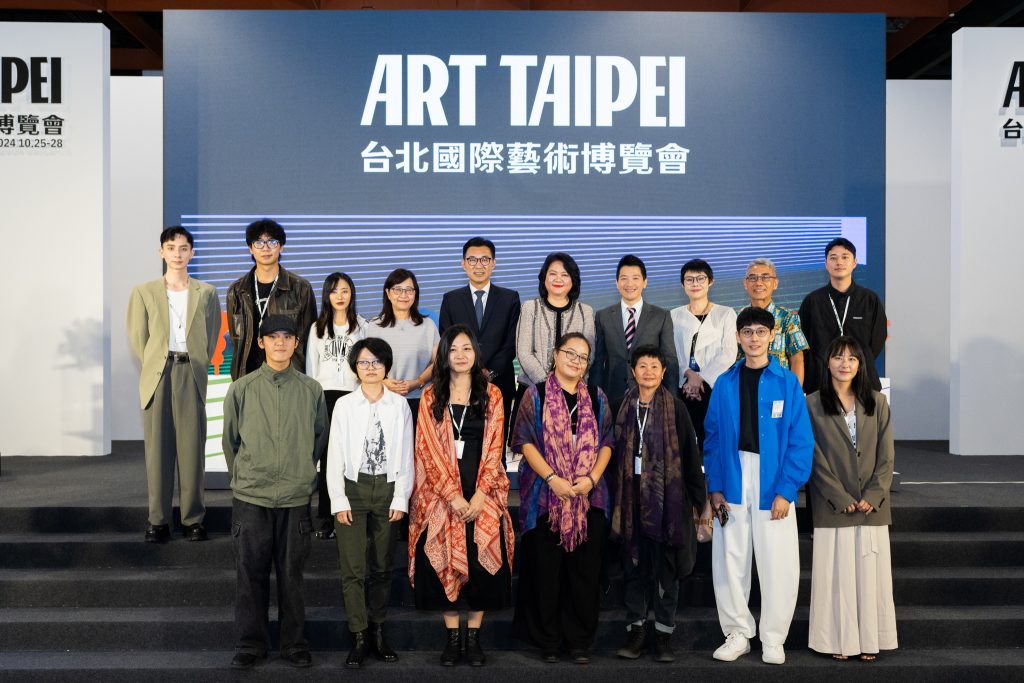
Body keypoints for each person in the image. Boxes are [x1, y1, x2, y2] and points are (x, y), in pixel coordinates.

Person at [704, 307, 814, 666]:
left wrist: (786, 490)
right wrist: (715, 487)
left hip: (773, 480)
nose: (754, 338)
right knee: (729, 559)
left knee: (778, 562)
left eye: (760, 332)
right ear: (738, 337)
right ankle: (737, 633)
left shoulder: (787, 382)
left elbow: (800, 441)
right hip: (733, 476)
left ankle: (773, 638)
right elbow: (712, 437)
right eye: (747, 332)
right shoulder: (725, 383)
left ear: (772, 336)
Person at [222, 314, 328, 670]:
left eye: (287, 337)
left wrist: (301, 473)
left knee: (291, 575)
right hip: (252, 496)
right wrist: (247, 476)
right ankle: (250, 644)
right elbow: (230, 442)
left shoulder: (311, 390)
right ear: (261, 342)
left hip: (295, 497)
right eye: (273, 337)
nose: (280, 342)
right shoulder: (242, 389)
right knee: (249, 574)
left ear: (297, 343)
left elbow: (319, 439)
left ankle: (293, 644)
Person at [409, 324, 515, 667]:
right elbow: (425, 449)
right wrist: (452, 496)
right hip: (441, 492)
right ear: (443, 355)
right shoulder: (430, 396)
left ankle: (474, 637)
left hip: (482, 488)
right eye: (453, 349)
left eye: (466, 348)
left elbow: (496, 447)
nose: (460, 355)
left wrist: (481, 495)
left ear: (476, 354)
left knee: (482, 560)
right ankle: (453, 638)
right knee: (443, 558)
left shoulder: (493, 394)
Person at [512, 332, 614, 664]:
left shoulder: (596, 397)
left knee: (584, 573)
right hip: (545, 496)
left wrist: (591, 479)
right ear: (555, 355)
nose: (575, 360)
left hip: (588, 497)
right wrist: (552, 479)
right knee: (547, 572)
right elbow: (525, 441)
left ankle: (580, 642)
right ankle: (549, 641)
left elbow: (608, 442)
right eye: (569, 353)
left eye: (582, 357)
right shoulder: (535, 394)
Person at [610, 344, 706, 663]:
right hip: (630, 498)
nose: (648, 372)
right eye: (642, 366)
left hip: (669, 501)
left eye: (654, 366)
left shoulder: (676, 408)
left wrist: (700, 502)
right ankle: (636, 632)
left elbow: (690, 457)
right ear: (633, 371)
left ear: (664, 372)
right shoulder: (621, 406)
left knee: (667, 568)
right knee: (634, 566)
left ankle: (664, 635)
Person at [127, 226, 222, 543]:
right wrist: (157, 362)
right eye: (171, 248)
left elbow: (210, 338)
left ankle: (193, 519)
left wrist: (193, 361)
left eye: (183, 248)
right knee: (157, 452)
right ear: (161, 252)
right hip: (159, 374)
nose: (177, 254)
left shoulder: (206, 292)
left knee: (192, 450)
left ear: (192, 253)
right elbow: (138, 339)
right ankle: (158, 520)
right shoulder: (144, 292)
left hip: (190, 372)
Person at [806, 336, 897, 662]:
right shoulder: (811, 403)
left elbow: (887, 456)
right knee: (837, 579)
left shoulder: (877, 402)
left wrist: (874, 494)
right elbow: (813, 456)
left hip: (872, 506)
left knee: (871, 579)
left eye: (852, 359)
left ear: (860, 365)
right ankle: (836, 642)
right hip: (833, 505)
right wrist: (838, 495)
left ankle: (870, 640)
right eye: (838, 357)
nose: (844, 364)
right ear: (827, 362)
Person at [327, 337, 414, 668]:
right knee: (353, 569)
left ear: (386, 366)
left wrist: (401, 497)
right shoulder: (344, 405)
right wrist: (338, 498)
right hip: (353, 488)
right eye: (364, 362)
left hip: (388, 489)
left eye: (377, 362)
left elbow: (406, 455)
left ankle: (377, 629)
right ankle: (359, 635)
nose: (371, 368)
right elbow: (334, 454)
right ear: (355, 367)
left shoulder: (399, 406)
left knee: (382, 566)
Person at [439, 237, 521, 444]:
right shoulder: (451, 299)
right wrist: (471, 373)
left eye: (485, 259)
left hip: (499, 382)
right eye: (472, 260)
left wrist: (489, 373)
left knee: (496, 444)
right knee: (461, 443)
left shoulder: (510, 298)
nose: (479, 265)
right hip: (459, 384)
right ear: (463, 263)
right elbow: (447, 340)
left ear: (493, 263)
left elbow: (512, 342)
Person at [306, 272, 366, 539]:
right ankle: (325, 519)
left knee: (353, 458)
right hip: (325, 397)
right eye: (334, 291)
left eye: (344, 291)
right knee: (328, 459)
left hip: (354, 397)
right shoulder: (317, 328)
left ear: (352, 294)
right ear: (326, 296)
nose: (340, 296)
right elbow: (311, 368)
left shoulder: (362, 326)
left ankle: (354, 514)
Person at [226, 218, 317, 379]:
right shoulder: (237, 291)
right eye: (259, 243)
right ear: (250, 248)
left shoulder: (301, 288)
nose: (266, 248)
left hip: (289, 376)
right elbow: (236, 339)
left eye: (272, 242)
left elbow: (308, 339)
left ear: (281, 246)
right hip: (248, 375)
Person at [799, 238, 887, 394]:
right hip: (820, 382)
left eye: (845, 257)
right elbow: (802, 342)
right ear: (826, 264)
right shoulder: (812, 301)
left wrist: (855, 361)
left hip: (862, 381)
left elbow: (877, 339)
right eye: (833, 258)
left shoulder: (869, 299)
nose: (839, 262)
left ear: (855, 263)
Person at [592, 255, 678, 412]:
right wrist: (594, 397)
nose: (629, 284)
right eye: (624, 278)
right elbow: (598, 361)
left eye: (635, 278)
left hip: (651, 395)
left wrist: (673, 401)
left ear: (645, 282)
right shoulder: (603, 316)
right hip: (613, 396)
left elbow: (669, 359)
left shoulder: (661, 316)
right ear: (616, 282)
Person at [670, 259, 737, 448]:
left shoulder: (725, 313)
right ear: (683, 284)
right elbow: (671, 352)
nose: (695, 284)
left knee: (716, 440)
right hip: (684, 387)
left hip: (714, 386)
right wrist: (689, 374)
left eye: (700, 278)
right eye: (689, 279)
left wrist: (701, 378)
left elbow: (729, 352)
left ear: (710, 281)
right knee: (685, 442)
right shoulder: (674, 315)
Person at [367, 268, 439, 426]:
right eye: (398, 289)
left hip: (420, 401)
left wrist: (417, 382)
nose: (403, 295)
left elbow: (438, 362)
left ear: (415, 294)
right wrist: (384, 381)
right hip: (383, 399)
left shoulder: (428, 325)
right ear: (388, 293)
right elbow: (366, 363)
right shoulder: (374, 326)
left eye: (409, 290)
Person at [740, 258, 810, 386]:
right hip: (745, 386)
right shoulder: (736, 317)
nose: (759, 283)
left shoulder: (788, 317)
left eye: (765, 278)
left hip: (779, 388)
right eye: (753, 278)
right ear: (745, 283)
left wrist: (794, 393)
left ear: (775, 283)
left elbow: (797, 359)